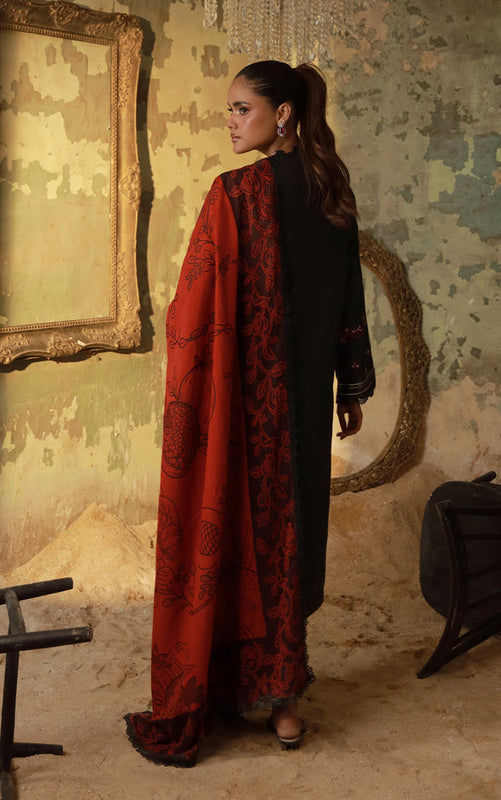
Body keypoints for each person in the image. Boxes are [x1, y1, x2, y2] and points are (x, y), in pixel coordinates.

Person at [125, 60, 375, 767]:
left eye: (241, 108)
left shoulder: (234, 194)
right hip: (304, 409)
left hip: (243, 406)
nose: (230, 121)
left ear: (283, 113)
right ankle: (284, 704)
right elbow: (349, 299)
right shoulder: (333, 191)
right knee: (291, 536)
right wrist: (349, 388)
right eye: (230, 109)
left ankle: (236, 683)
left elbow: (192, 311)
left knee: (242, 530)